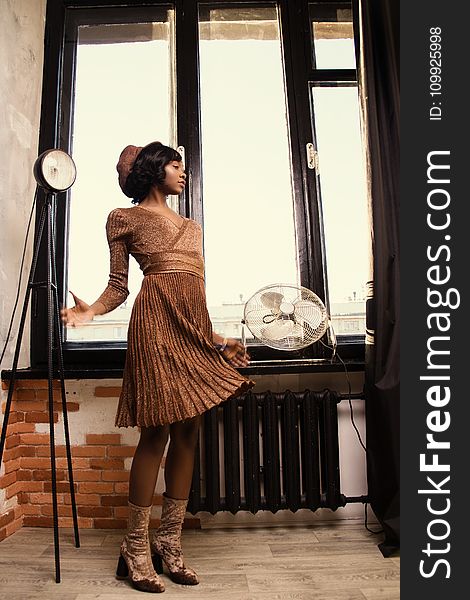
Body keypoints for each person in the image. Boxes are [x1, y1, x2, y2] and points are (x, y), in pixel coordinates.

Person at [61, 141, 254, 593]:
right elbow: (117, 286)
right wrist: (90, 313)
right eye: (175, 163)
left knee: (189, 431)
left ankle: (170, 543)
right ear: (154, 170)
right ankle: (135, 546)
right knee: (157, 432)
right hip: (153, 328)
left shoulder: (192, 227)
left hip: (191, 331)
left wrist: (218, 341)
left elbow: (194, 296)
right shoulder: (123, 217)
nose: (183, 171)